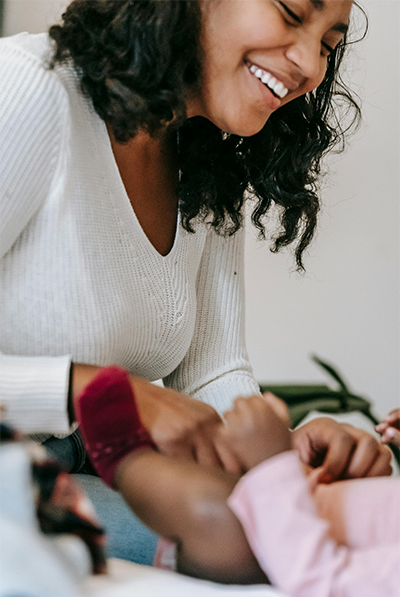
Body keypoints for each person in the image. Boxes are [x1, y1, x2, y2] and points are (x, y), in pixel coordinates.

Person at [0, 0, 392, 562]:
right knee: (256, 547)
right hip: (20, 470)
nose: (309, 64)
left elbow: (212, 371)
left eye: (329, 44)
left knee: (324, 526)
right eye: (289, 13)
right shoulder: (28, 89)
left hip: (91, 467)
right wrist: (97, 391)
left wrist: (279, 456)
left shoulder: (203, 157)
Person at [76, 366, 400, 597]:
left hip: (261, 552)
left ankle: (125, 459)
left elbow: (323, 582)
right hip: (297, 501)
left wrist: (273, 461)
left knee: (219, 513)